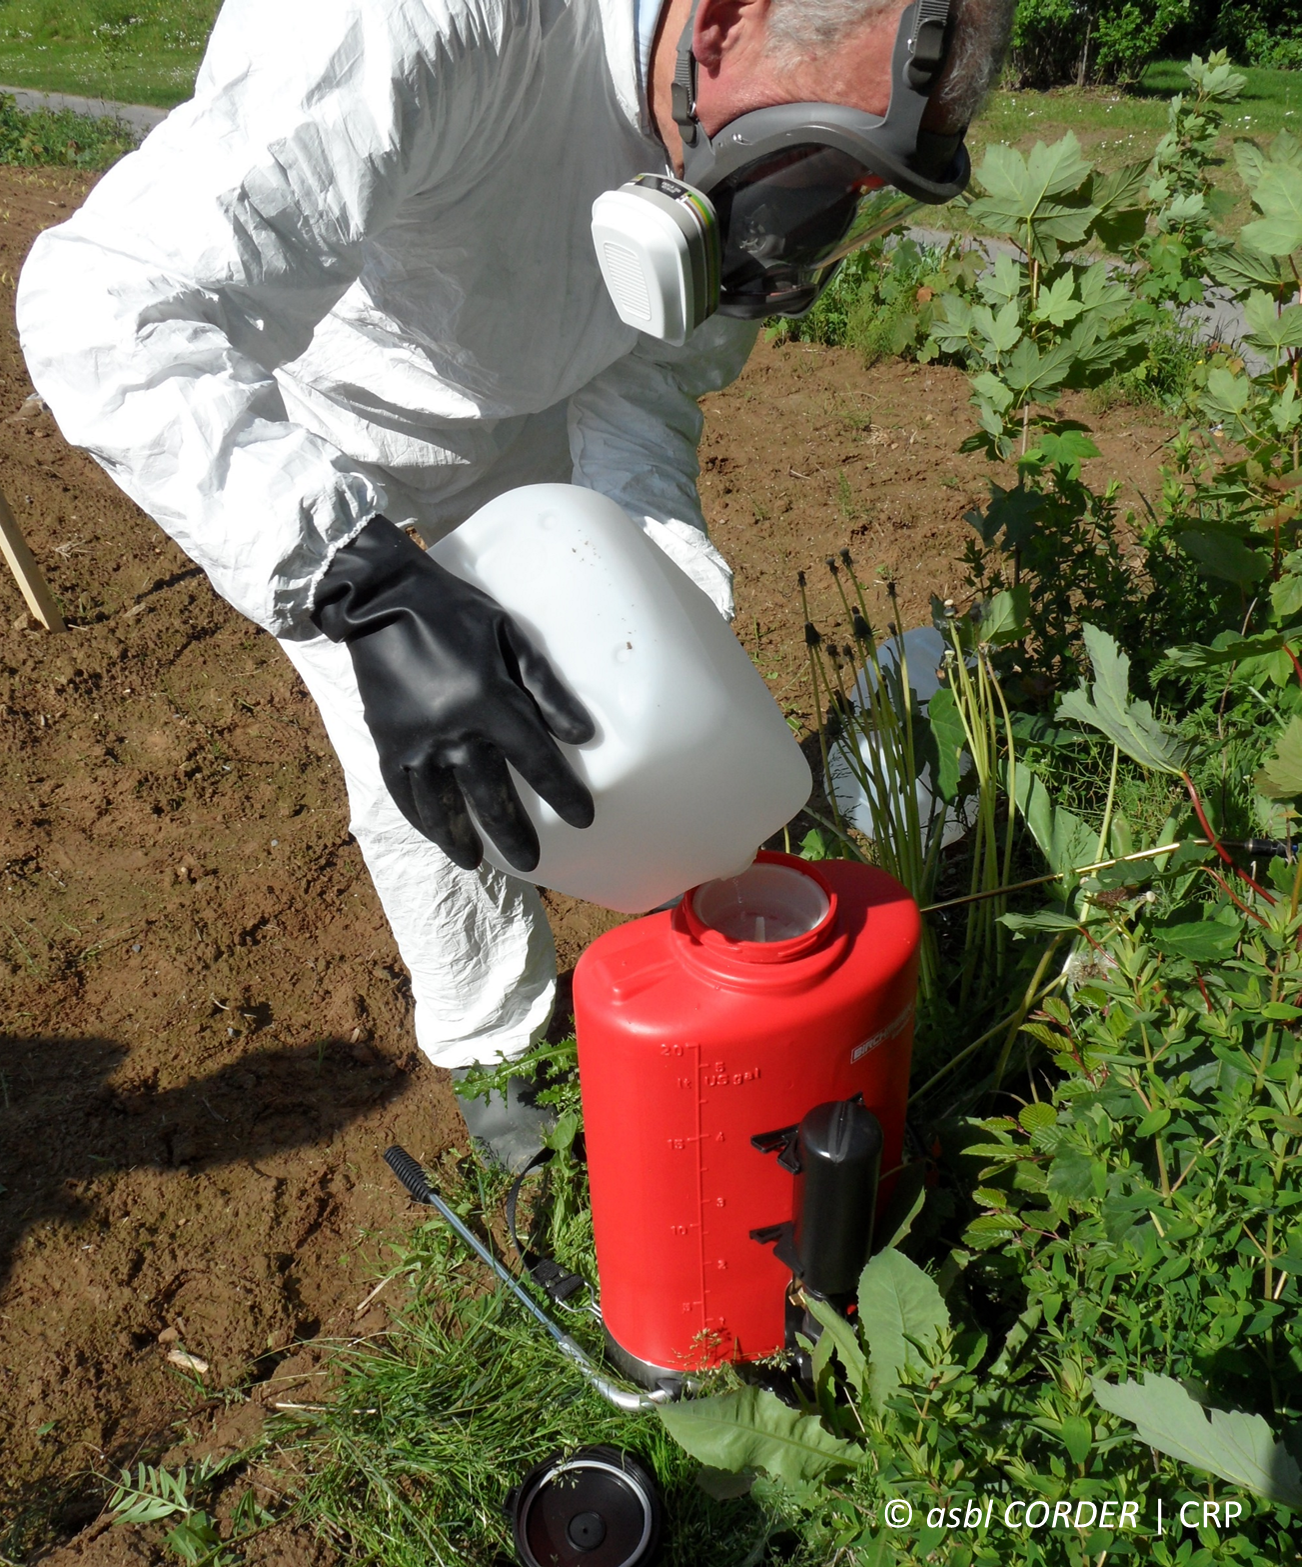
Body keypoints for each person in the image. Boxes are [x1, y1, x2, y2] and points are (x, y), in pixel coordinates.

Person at [16, 0, 1012, 1168]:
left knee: (619, 691)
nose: (815, 208)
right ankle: (507, 1062)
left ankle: (695, 945)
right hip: (333, 447)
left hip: (535, 415)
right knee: (425, 781)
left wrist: (660, 582)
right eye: (820, 159)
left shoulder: (727, 146)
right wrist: (365, 584)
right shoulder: (416, 28)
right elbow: (102, 306)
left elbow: (648, 374)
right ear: (726, 26)